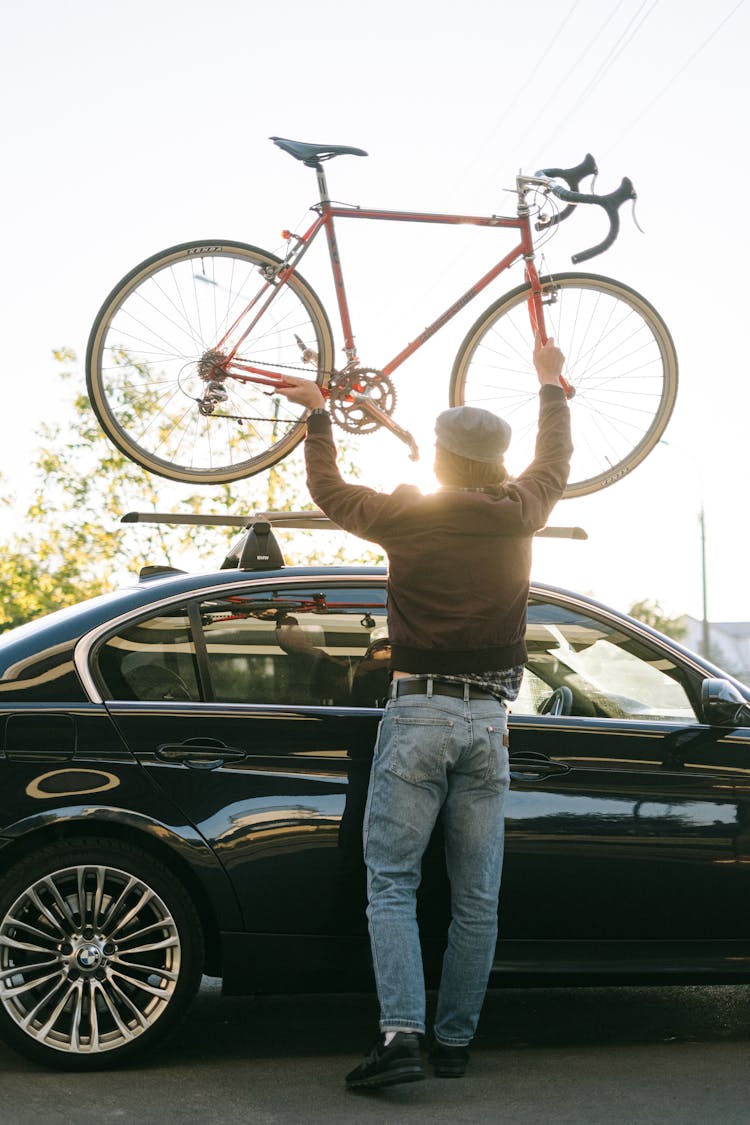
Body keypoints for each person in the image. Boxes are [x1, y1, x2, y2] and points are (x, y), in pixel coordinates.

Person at [278, 335, 572, 1089]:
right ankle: (453, 1045)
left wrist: (318, 418)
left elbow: (332, 493)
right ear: (497, 465)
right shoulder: (521, 512)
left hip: (416, 717)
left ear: (439, 462)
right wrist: (549, 386)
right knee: (476, 897)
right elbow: (555, 461)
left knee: (393, 883)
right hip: (488, 726)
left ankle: (400, 1034)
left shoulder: (407, 514)